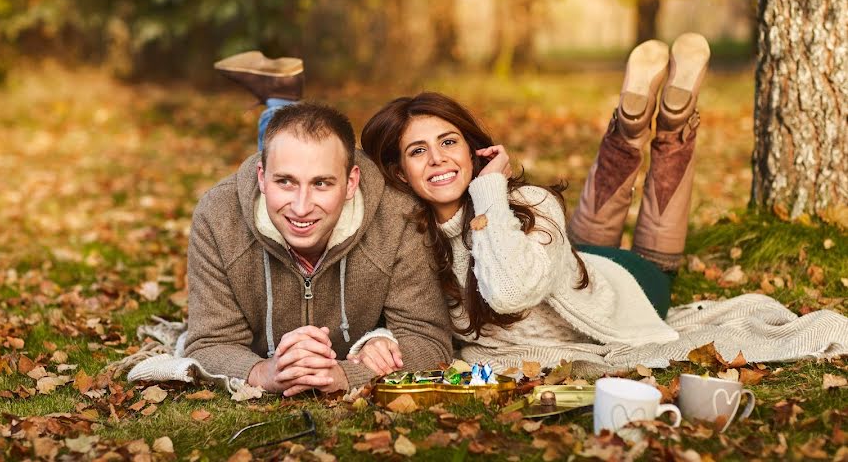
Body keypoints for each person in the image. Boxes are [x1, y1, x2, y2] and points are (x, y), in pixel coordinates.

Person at [354, 34, 710, 373]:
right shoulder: (412, 235)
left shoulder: (528, 203)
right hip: (564, 266)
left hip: (625, 285)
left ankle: (673, 127)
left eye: (448, 142)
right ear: (400, 173)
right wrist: (381, 339)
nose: (437, 158)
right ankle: (629, 129)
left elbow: (510, 293)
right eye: (418, 151)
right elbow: (403, 312)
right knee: (574, 247)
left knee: (657, 259)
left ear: (471, 149)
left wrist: (491, 187)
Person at [183, 100, 453, 395]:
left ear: (351, 183)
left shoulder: (398, 216)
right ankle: (278, 100)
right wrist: (264, 372)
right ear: (261, 177)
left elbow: (429, 341)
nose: (301, 207)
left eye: (321, 184)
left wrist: (348, 374)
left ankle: (281, 99)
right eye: (285, 181)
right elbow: (208, 343)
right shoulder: (218, 215)